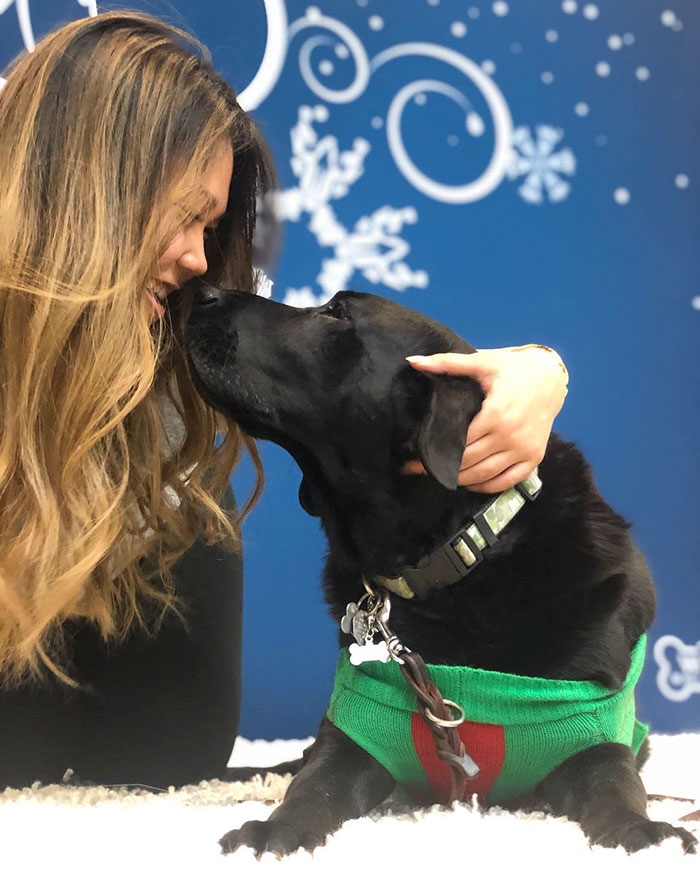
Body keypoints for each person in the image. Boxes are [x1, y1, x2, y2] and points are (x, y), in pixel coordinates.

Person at [0, 11, 568, 790]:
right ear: (97, 186)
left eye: (213, 225)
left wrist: (541, 369)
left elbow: (352, 368)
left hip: (137, 685)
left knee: (166, 750)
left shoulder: (162, 331)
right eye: (188, 217)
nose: (201, 258)